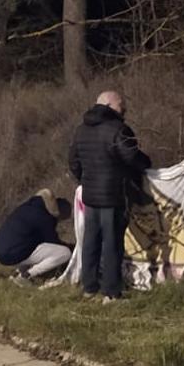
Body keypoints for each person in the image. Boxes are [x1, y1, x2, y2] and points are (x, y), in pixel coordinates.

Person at [68, 90, 152, 303]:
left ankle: (89, 287)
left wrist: (84, 181)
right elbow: (131, 157)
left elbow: (73, 162)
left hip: (90, 196)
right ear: (111, 106)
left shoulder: (81, 130)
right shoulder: (118, 129)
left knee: (90, 242)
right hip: (114, 196)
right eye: (121, 105)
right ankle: (111, 292)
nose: (124, 109)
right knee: (112, 244)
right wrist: (146, 165)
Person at [0, 189, 74, 287]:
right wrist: (71, 248)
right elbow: (53, 242)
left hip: (0, 249)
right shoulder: (45, 218)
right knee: (64, 253)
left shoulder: (28, 207)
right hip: (12, 254)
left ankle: (19, 271)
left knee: (30, 243)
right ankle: (26, 276)